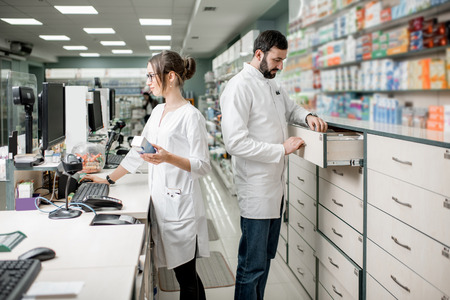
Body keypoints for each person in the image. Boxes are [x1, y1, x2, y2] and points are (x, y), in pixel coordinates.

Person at [85, 50, 211, 300]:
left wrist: (168, 157)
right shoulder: (158, 112)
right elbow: (137, 152)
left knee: (186, 278)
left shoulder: (191, 116)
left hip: (181, 206)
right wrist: (109, 179)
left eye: (151, 75)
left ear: (171, 77)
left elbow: (203, 165)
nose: (148, 81)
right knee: (185, 275)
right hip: (162, 202)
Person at [220, 30, 328, 300]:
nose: (280, 66)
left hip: (275, 190)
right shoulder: (239, 86)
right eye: (277, 59)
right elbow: (234, 143)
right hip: (256, 190)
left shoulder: (272, 83)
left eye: (283, 60)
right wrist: (281, 149)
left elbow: (291, 109)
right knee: (251, 265)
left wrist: (308, 115)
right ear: (259, 54)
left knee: (266, 259)